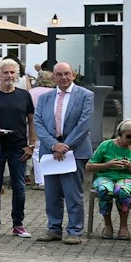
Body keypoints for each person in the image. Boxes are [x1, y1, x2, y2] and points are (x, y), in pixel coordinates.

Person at [33, 62, 95, 244]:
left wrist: (65, 146)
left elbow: (84, 124)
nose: (63, 78)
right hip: (50, 152)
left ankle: (75, 230)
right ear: (53, 77)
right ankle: (54, 228)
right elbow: (38, 123)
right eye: (59, 74)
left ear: (74, 75)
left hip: (74, 151)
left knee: (72, 193)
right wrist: (53, 145)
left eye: (67, 74)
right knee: (52, 193)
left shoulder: (85, 95)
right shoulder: (45, 98)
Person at [0, 58, 35, 237]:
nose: (9, 75)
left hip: (19, 146)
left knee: (19, 187)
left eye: (12, 72)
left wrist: (31, 145)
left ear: (17, 75)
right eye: (5, 72)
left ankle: (18, 224)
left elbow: (31, 121)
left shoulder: (24, 95)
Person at [88, 121, 131, 240]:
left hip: (129, 179)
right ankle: (108, 225)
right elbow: (88, 167)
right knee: (104, 189)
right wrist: (107, 165)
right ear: (120, 133)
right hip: (106, 177)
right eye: (129, 136)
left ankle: (123, 226)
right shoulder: (106, 145)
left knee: (122, 190)